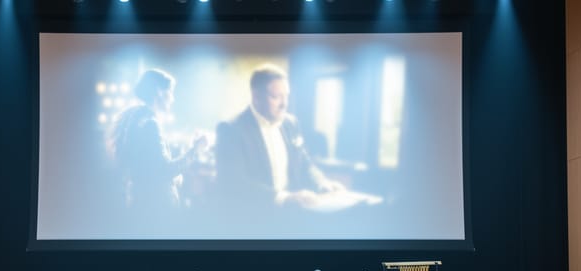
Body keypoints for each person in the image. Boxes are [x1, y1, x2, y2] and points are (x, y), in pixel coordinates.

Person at [215, 63, 381, 211]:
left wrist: (322, 183)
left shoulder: (291, 123)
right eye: (276, 97)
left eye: (286, 96)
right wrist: (284, 198)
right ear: (256, 96)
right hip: (253, 218)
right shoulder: (231, 129)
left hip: (293, 216)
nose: (284, 104)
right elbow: (234, 182)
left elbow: (305, 163)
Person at [109, 68, 206, 208]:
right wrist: (196, 150)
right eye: (170, 92)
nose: (173, 98)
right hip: (157, 209)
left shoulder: (139, 120)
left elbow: (151, 170)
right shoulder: (151, 124)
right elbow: (164, 171)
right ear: (159, 92)